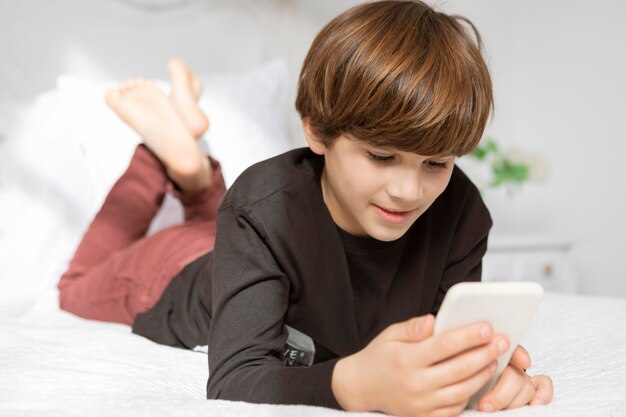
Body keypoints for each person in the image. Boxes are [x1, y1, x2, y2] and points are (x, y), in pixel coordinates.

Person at [58, 1, 553, 416]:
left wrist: (482, 375)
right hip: (174, 270)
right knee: (74, 286)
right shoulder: (263, 209)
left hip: (238, 238)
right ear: (315, 130)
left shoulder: (461, 212)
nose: (408, 191)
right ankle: (168, 158)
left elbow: (440, 343)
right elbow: (235, 375)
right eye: (382, 156)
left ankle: (191, 164)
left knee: (222, 221)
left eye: (436, 163)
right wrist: (350, 384)